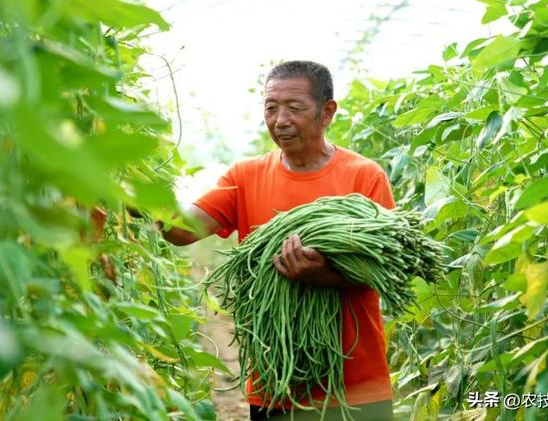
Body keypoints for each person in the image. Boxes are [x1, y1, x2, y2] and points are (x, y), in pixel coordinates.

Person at [162, 61, 395, 420]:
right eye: (271, 108)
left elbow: (388, 269)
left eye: (294, 108)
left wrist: (323, 273)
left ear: (327, 112)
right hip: (276, 384)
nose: (280, 120)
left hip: (357, 385)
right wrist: (140, 196)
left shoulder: (363, 177)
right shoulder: (245, 176)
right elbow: (181, 231)